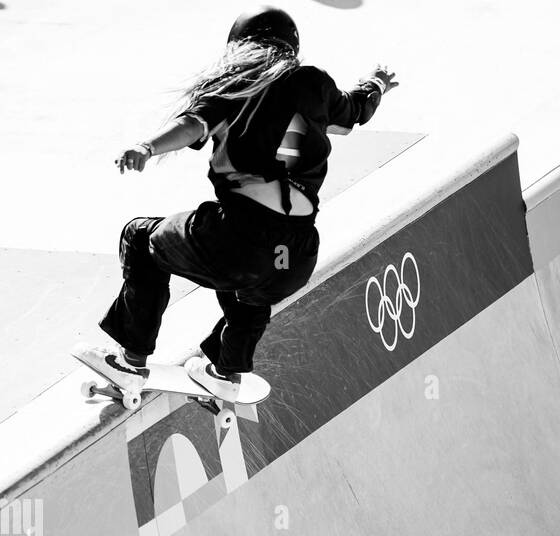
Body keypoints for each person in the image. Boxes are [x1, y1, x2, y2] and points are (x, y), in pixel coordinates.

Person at [99, 6, 397, 400]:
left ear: (239, 48)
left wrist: (147, 147)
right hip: (294, 257)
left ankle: (130, 361)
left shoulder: (236, 84)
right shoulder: (314, 83)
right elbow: (355, 110)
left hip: (240, 238)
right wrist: (375, 82)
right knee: (250, 286)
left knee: (141, 237)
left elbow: (192, 125)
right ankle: (225, 369)